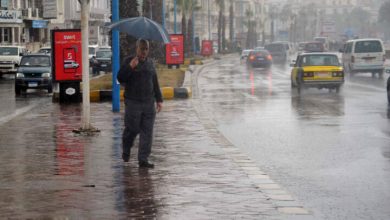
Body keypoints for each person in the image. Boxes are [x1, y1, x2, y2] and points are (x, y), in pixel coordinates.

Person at [117, 39, 163, 168]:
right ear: (136, 48)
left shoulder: (150, 64)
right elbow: (120, 78)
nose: (144, 51)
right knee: (132, 129)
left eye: (146, 49)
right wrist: (130, 67)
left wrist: (159, 99)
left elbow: (155, 82)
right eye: (141, 48)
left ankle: (143, 159)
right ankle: (126, 148)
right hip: (133, 102)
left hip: (148, 103)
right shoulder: (129, 61)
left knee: (147, 132)